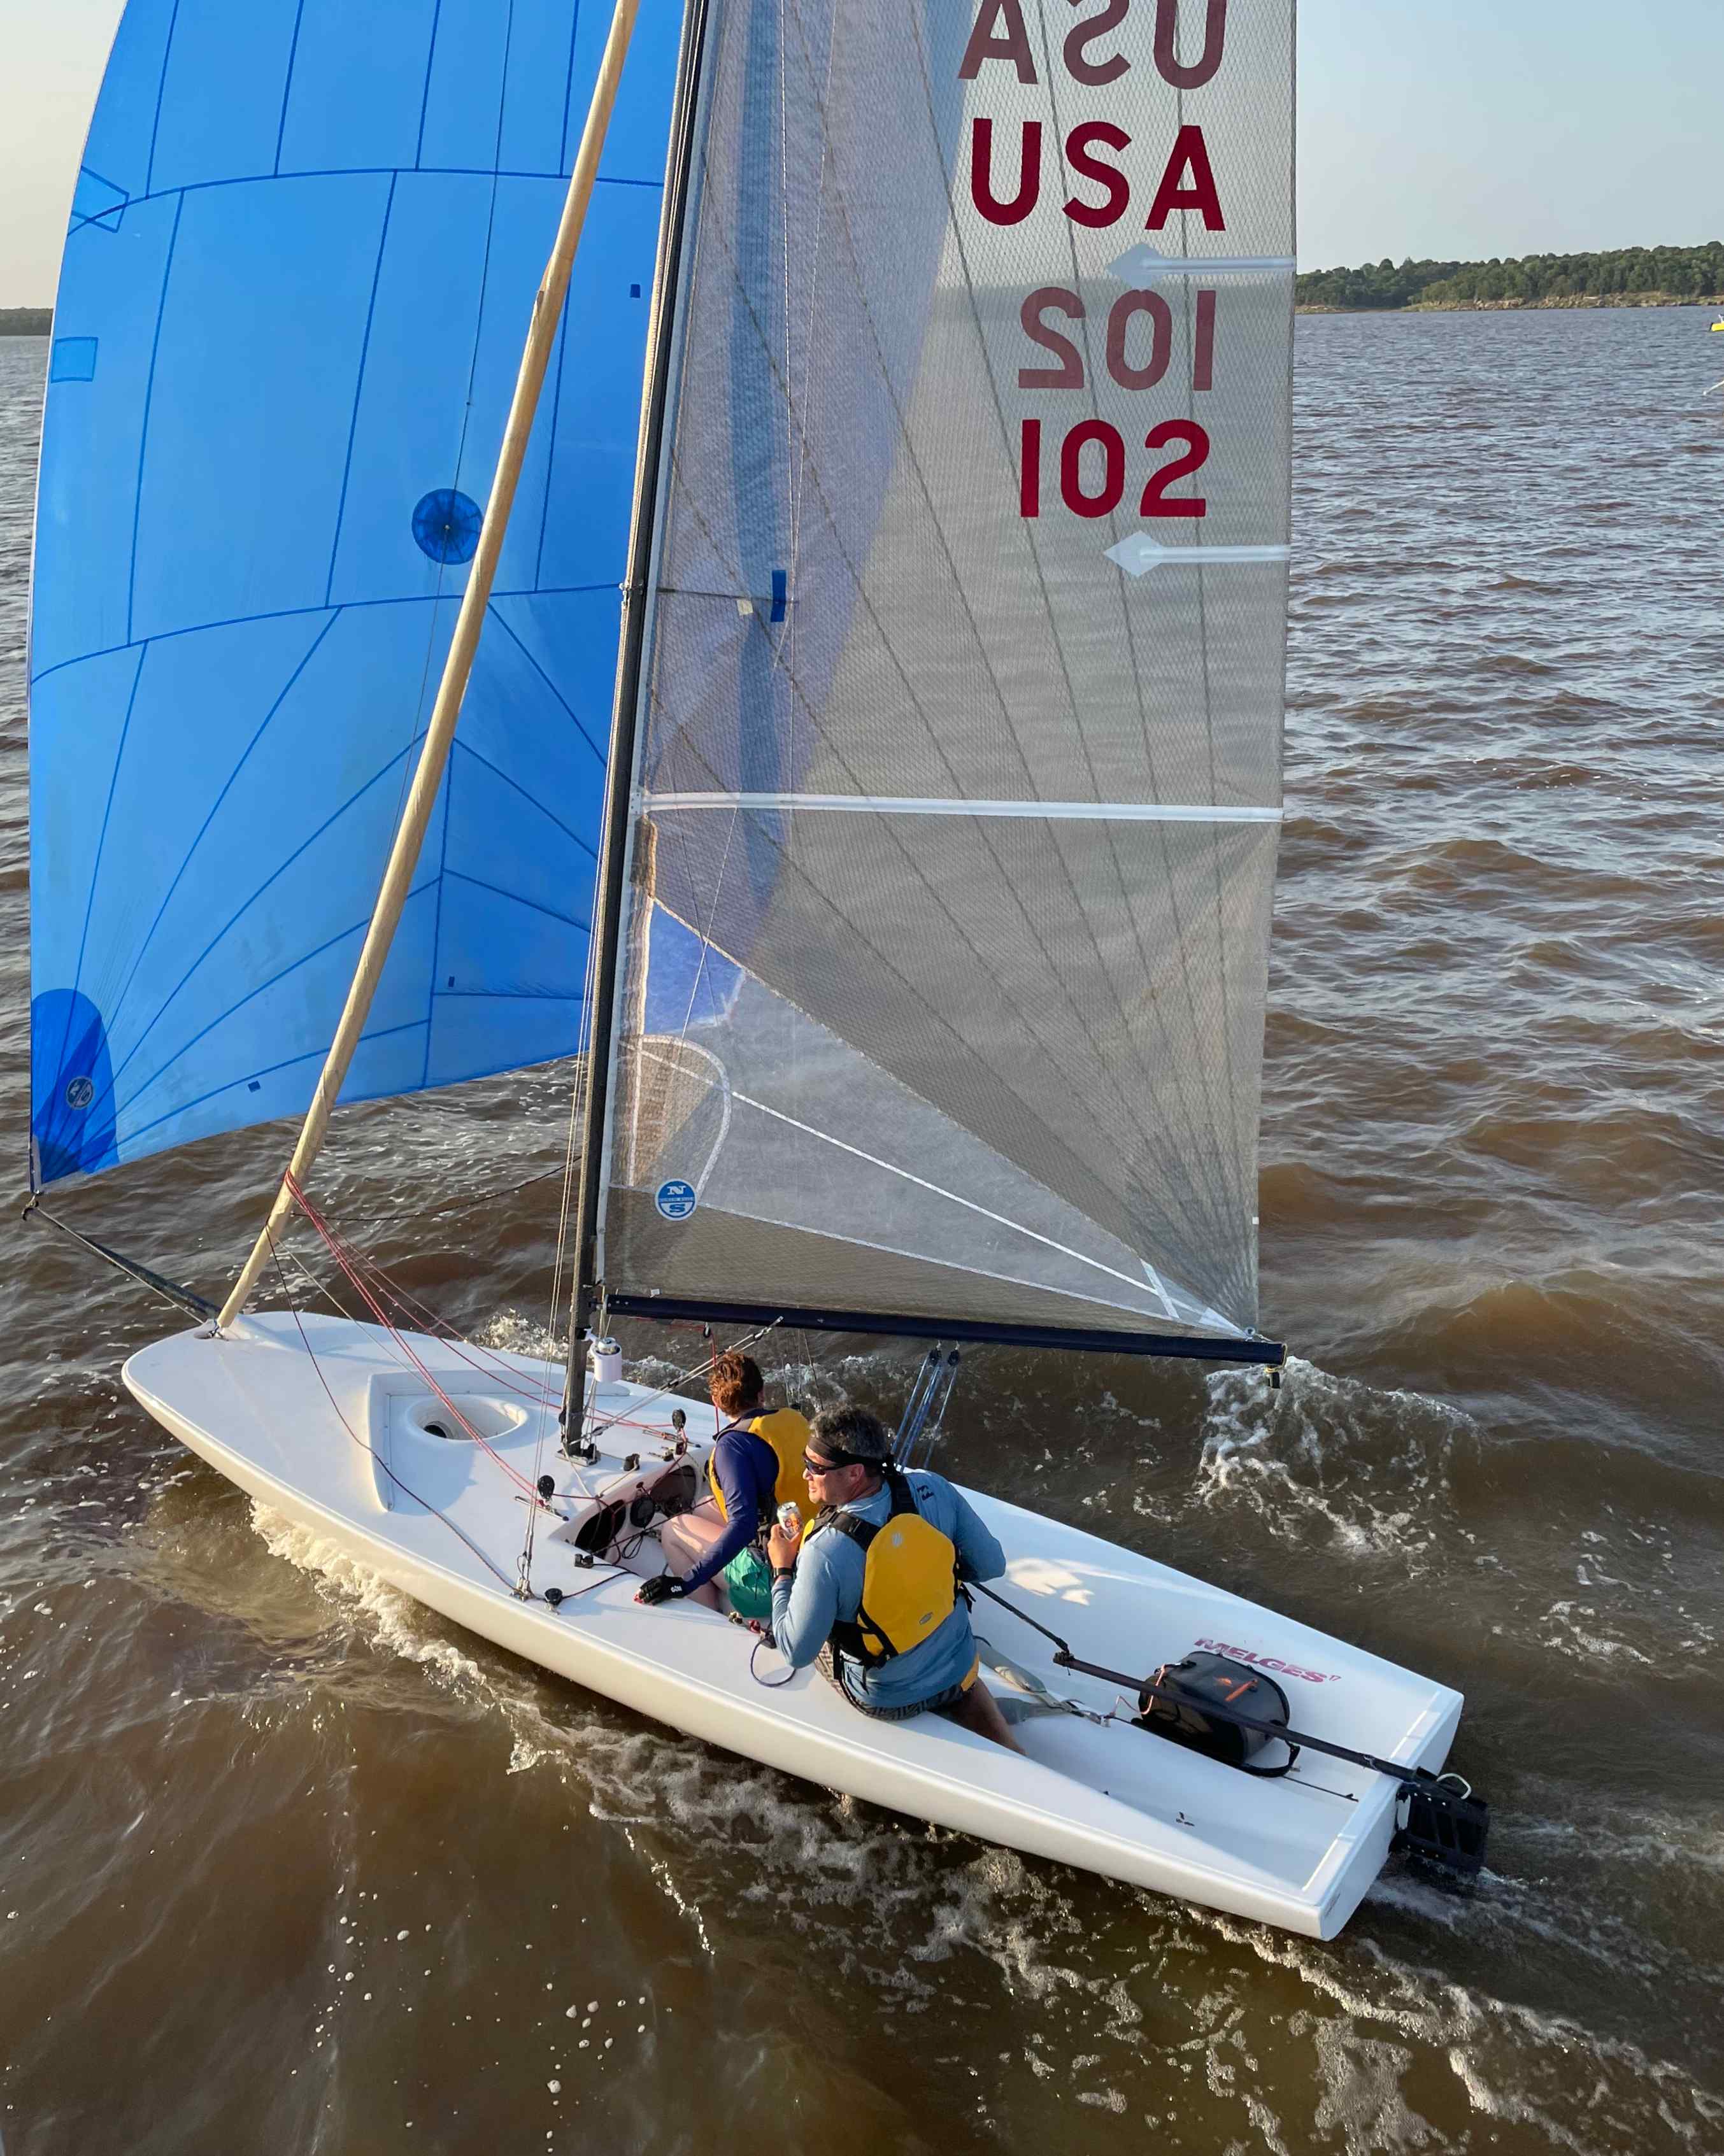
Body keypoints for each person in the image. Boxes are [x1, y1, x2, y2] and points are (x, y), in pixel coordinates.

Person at [764, 1404, 1024, 1753]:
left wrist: (782, 1571)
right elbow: (991, 1565)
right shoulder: (934, 1488)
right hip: (959, 1666)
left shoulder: (824, 1550)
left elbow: (796, 1652)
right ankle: (1008, 1748)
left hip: (888, 1698)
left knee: (800, 1627)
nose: (805, 1474)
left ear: (855, 1473)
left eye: (815, 1467)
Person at [637, 1352, 813, 1619]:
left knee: (673, 1529)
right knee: (704, 1506)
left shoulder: (732, 1447)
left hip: (776, 1577)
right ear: (762, 1392)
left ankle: (711, 1617)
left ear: (716, 1402)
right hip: (807, 1549)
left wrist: (683, 1583)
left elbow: (742, 1526)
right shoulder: (792, 1420)